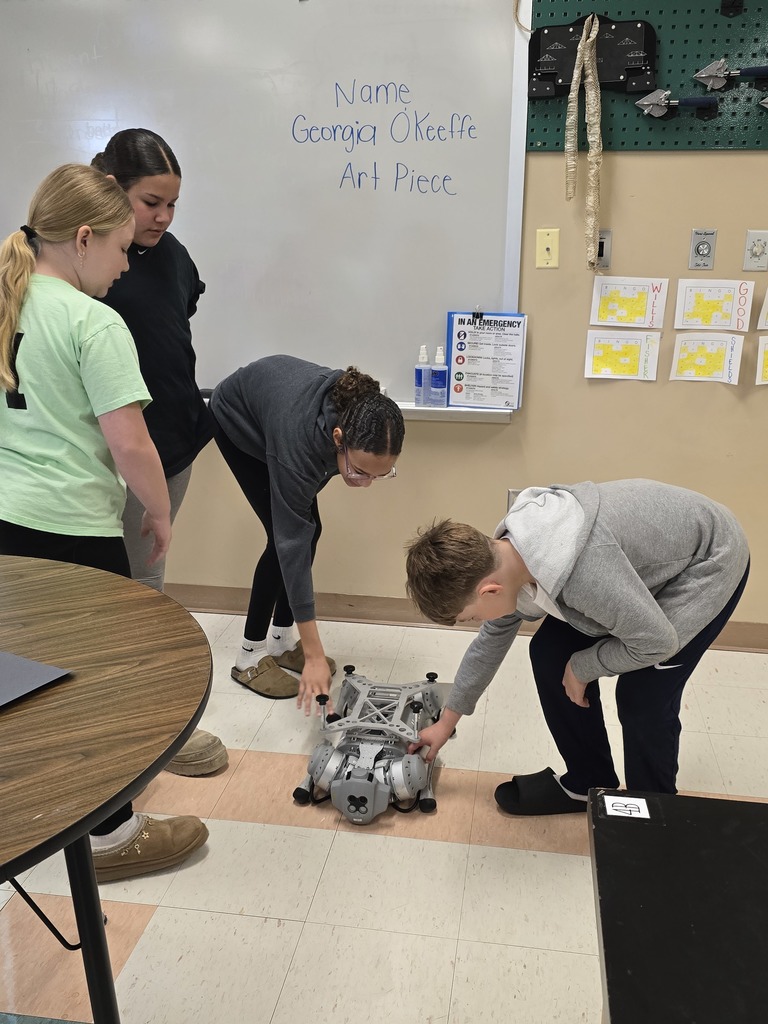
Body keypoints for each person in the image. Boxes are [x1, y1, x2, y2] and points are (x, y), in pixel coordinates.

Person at [0, 163, 208, 880]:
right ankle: (112, 839)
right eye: (120, 249)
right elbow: (131, 444)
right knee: (98, 687)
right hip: (74, 531)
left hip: (7, 521)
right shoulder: (94, 321)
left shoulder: (8, 300)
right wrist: (159, 510)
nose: (125, 266)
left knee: (23, 669)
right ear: (83, 239)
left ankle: (29, 804)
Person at [404, 479, 750, 813]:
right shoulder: (505, 556)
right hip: (629, 568)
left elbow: (656, 643)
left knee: (642, 695)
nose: (480, 623)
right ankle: (588, 781)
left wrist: (584, 667)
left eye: (472, 617)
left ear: (489, 591)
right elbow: (489, 643)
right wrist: (446, 723)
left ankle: (653, 808)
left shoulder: (586, 575)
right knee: (550, 655)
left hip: (708, 560)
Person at [91, 129, 226, 777]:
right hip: (111, 456)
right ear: (111, 189)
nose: (164, 217)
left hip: (172, 444)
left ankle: (148, 725)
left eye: (173, 204)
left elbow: (175, 324)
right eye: (151, 203)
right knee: (106, 593)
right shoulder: (85, 263)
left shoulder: (172, 256)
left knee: (147, 587)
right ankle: (126, 732)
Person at [210, 355, 405, 713]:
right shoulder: (299, 445)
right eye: (360, 471)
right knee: (281, 541)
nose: (366, 484)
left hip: (278, 414)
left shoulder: (366, 418)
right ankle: (249, 655)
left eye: (379, 475)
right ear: (338, 439)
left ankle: (281, 641)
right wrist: (314, 654)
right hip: (238, 419)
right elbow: (291, 541)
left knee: (309, 532)